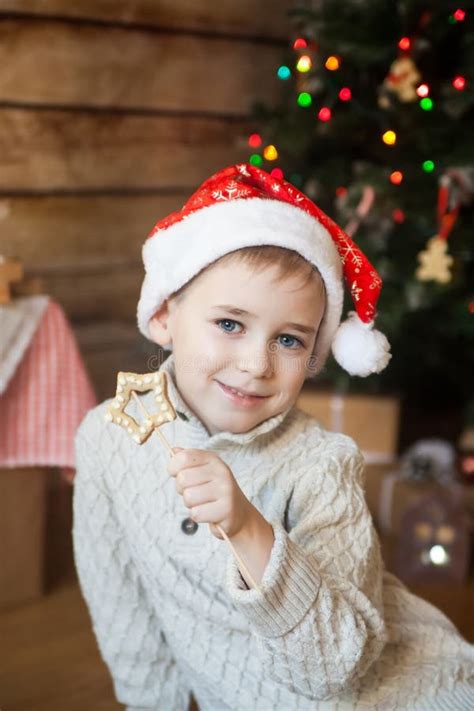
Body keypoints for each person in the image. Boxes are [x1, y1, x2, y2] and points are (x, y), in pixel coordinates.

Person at [72, 163, 474, 710]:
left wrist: (249, 530)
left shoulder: (322, 466)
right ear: (165, 315)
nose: (257, 364)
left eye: (288, 340)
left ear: (314, 355)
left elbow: (338, 671)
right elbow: (120, 605)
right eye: (231, 325)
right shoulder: (109, 438)